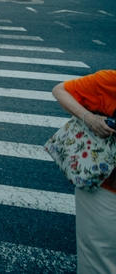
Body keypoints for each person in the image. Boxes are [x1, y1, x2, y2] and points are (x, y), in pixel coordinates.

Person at [51, 71, 116, 274]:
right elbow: (60, 90)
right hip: (105, 184)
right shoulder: (111, 80)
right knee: (99, 261)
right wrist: (89, 118)